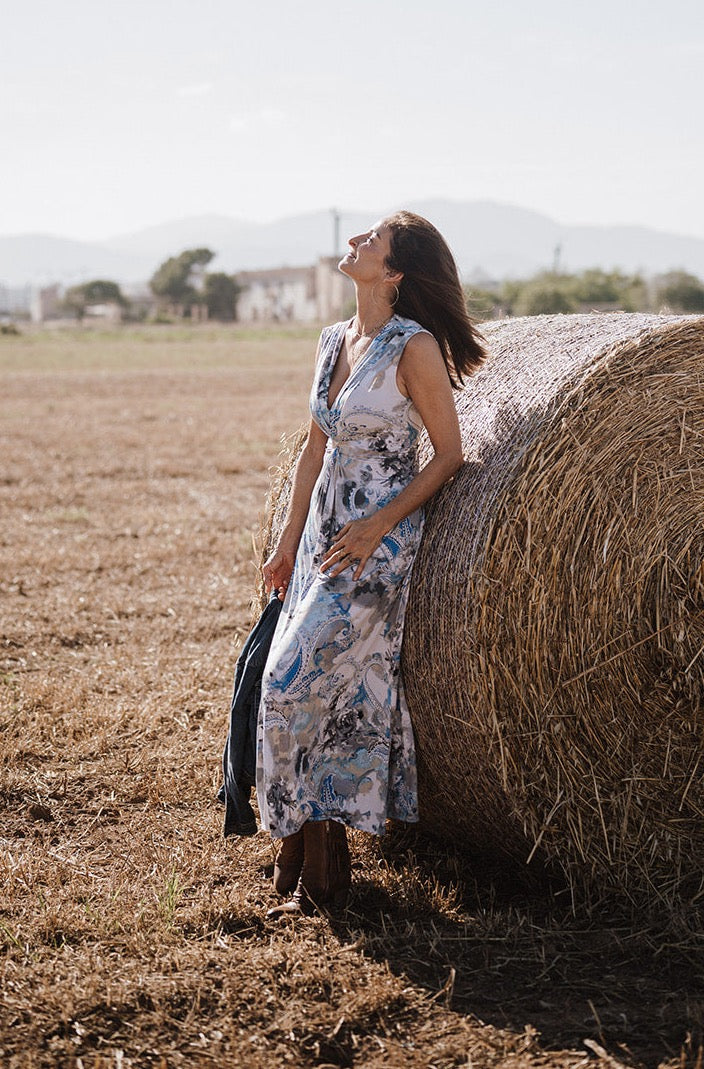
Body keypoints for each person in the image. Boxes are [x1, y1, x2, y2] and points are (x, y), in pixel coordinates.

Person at [257, 210, 485, 917]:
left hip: (375, 546)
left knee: (289, 689)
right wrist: (287, 539)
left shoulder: (411, 347)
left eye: (373, 239)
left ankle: (305, 852)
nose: (356, 238)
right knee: (323, 695)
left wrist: (378, 524)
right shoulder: (333, 341)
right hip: (325, 537)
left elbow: (447, 455)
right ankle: (318, 867)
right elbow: (315, 448)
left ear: (393, 272)